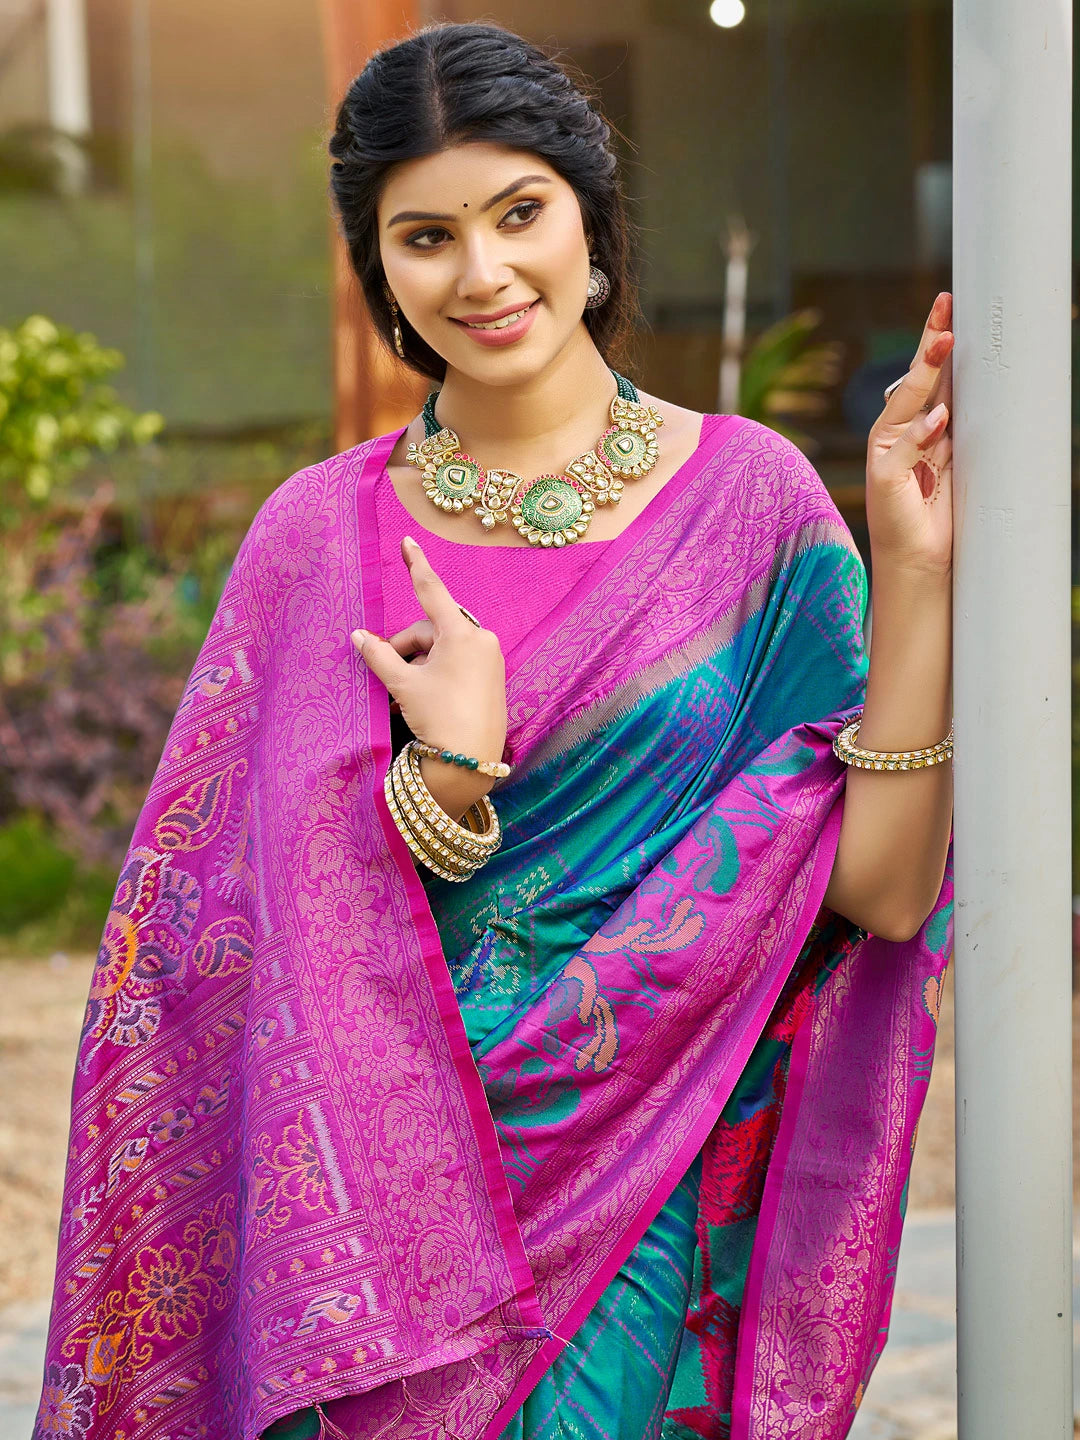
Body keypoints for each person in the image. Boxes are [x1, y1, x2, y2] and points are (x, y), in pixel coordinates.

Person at [33, 21, 955, 1440]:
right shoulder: (315, 540)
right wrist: (448, 775)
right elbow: (206, 942)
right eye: (425, 236)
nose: (481, 273)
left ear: (591, 222)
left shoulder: (751, 507)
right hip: (363, 1240)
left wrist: (919, 571)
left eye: (518, 212)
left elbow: (882, 888)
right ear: (381, 273)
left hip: (637, 1195)